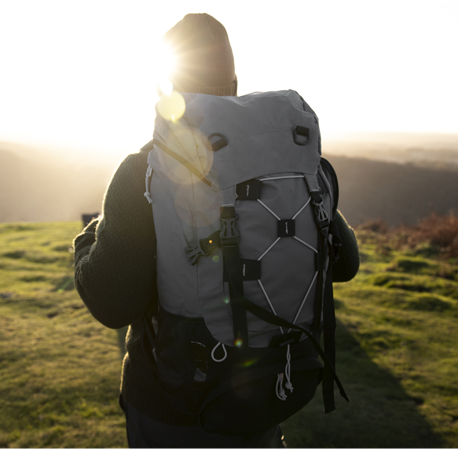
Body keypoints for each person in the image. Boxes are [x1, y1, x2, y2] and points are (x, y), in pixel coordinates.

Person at [73, 13, 360, 448]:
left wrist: (86, 242)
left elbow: (110, 302)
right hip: (262, 394)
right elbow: (346, 262)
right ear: (234, 88)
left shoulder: (143, 173)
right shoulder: (286, 169)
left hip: (170, 411)